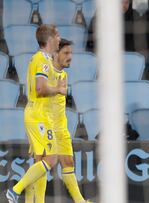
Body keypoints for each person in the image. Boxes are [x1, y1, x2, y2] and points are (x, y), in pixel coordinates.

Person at [6, 24, 66, 203]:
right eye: (57, 36)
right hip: (39, 115)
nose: (60, 39)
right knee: (52, 158)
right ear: (49, 40)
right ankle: (15, 190)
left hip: (36, 113)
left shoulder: (40, 59)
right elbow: (40, 88)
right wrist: (58, 90)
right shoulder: (43, 61)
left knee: (40, 161)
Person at [49, 38, 90, 202]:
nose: (70, 56)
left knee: (68, 161)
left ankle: (80, 201)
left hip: (61, 126)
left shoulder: (63, 74)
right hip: (46, 126)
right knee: (44, 164)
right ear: (55, 54)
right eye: (66, 53)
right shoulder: (44, 73)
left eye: (71, 53)